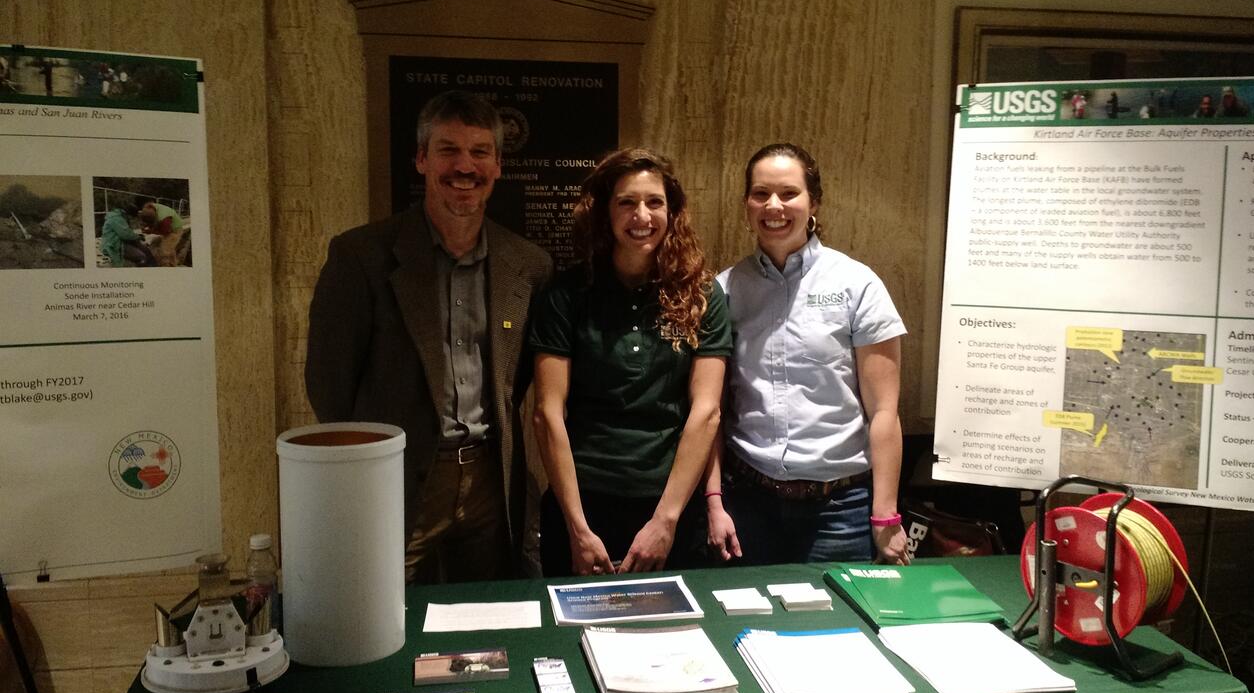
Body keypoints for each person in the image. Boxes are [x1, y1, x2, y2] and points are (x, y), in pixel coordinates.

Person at [306, 91, 552, 584]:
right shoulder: (361, 257)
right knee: (384, 612)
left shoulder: (528, 266)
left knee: (488, 619)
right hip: (399, 480)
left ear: (498, 166)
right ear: (421, 159)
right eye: (448, 150)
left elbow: (516, 380)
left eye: (480, 151)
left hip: (490, 480)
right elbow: (329, 385)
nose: (465, 166)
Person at [705, 143, 910, 566]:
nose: (774, 205)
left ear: (813, 202)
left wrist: (885, 516)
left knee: (836, 628)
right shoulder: (724, 290)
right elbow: (712, 410)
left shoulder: (858, 284)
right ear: (747, 204)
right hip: (748, 506)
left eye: (788, 193)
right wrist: (714, 501)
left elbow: (884, 412)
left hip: (840, 511)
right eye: (760, 193)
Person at [530, 148, 731, 576]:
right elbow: (547, 414)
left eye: (654, 202)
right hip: (583, 504)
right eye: (626, 202)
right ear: (605, 212)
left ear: (672, 211)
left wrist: (665, 521)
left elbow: (706, 412)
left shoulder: (703, 296)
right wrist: (577, 529)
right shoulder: (566, 294)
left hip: (671, 505)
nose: (642, 215)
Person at [137, 199, 185, 267]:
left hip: (174, 231)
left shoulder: (164, 219)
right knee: (169, 248)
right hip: (167, 227)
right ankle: (174, 265)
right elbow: (149, 221)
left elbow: (165, 232)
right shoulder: (148, 208)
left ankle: (165, 269)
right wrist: (144, 225)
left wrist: (150, 231)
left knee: (164, 252)